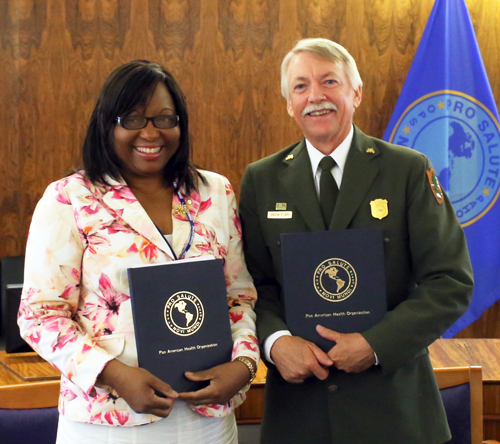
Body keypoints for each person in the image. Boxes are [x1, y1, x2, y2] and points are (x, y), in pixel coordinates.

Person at [239, 38, 473, 443]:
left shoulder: (407, 171)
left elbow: (450, 282)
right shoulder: (261, 179)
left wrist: (375, 344)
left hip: (394, 411)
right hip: (299, 413)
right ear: (288, 103)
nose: (316, 96)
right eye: (300, 86)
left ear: (355, 92)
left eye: (329, 81)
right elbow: (252, 285)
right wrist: (276, 343)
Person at [18, 60, 259, 444]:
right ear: (106, 124)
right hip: (109, 418)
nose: (150, 132)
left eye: (165, 119)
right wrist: (114, 374)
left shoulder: (215, 192)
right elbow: (40, 316)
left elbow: (238, 297)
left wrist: (245, 364)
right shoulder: (69, 198)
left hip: (208, 419)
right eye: (131, 119)